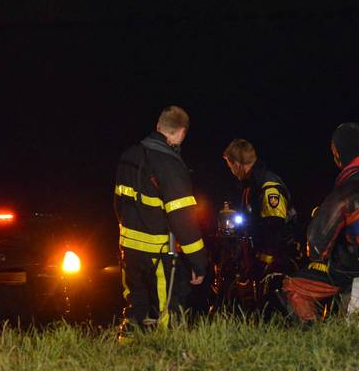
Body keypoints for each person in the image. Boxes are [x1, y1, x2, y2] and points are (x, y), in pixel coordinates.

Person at [113, 106, 207, 335]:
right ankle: (166, 361)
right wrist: (198, 262)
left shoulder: (128, 156)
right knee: (166, 313)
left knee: (136, 309)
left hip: (128, 250)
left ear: (158, 127)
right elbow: (183, 220)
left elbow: (118, 205)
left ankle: (127, 357)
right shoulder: (171, 165)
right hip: (158, 255)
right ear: (182, 132)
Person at [282, 123, 359, 322]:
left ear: (338, 152)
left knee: (293, 285)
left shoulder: (345, 191)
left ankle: (314, 336)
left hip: (358, 267)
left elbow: (317, 247)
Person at [222, 139, 296, 280]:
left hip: (275, 267)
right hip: (259, 261)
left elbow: (275, 230)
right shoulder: (251, 186)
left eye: (230, 167)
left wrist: (262, 265)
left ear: (237, 165)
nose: (231, 172)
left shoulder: (268, 187)